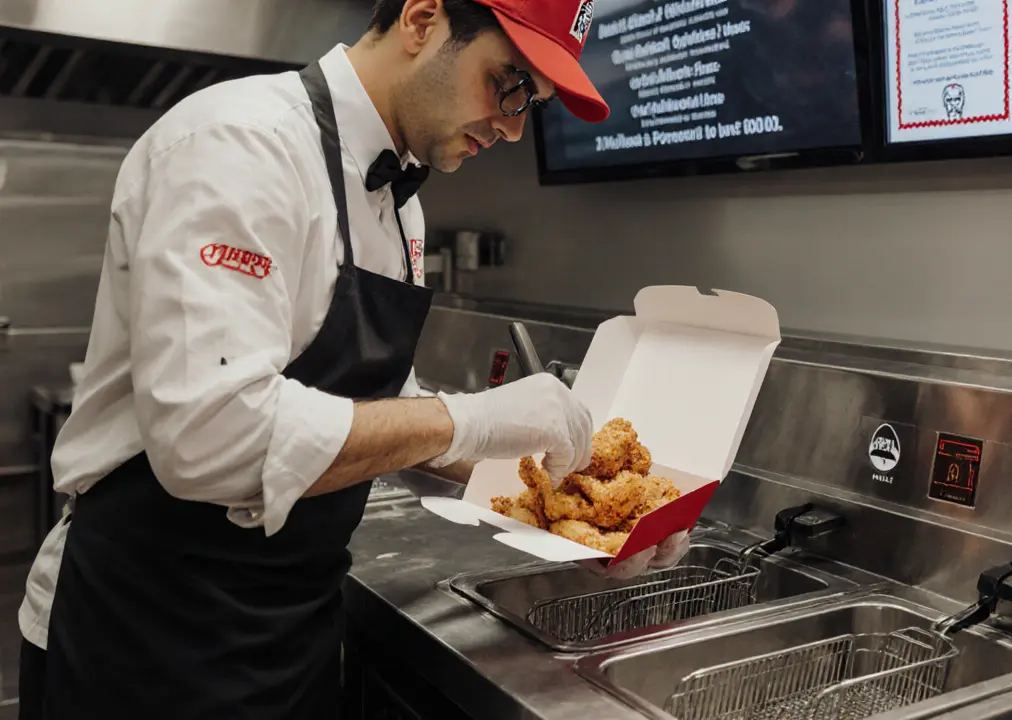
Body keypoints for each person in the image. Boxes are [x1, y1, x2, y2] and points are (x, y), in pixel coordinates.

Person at [16, 0, 689, 717]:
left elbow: (370, 396)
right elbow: (207, 440)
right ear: (422, 20)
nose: (515, 125)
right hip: (142, 635)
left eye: (534, 104)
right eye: (509, 82)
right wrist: (474, 420)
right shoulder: (239, 142)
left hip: (287, 635)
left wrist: (554, 495)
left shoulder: (402, 205)